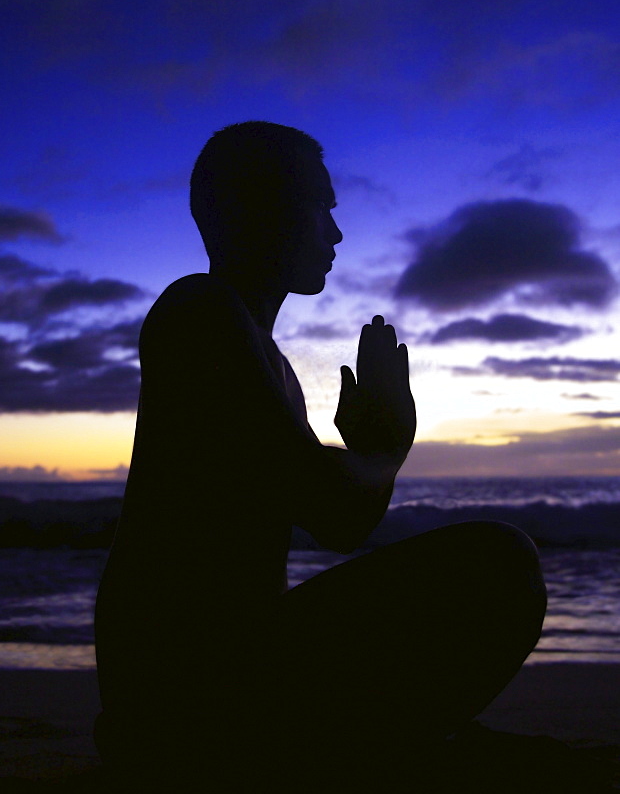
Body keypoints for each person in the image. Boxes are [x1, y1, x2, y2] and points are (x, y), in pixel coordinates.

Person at [94, 121, 546, 792]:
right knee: (501, 562)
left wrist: (372, 449)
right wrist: (385, 445)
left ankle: (386, 739)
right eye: (322, 206)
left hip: (229, 671)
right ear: (254, 207)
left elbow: (342, 522)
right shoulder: (199, 311)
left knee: (496, 564)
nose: (335, 232)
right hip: (184, 693)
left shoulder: (267, 358)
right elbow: (336, 509)